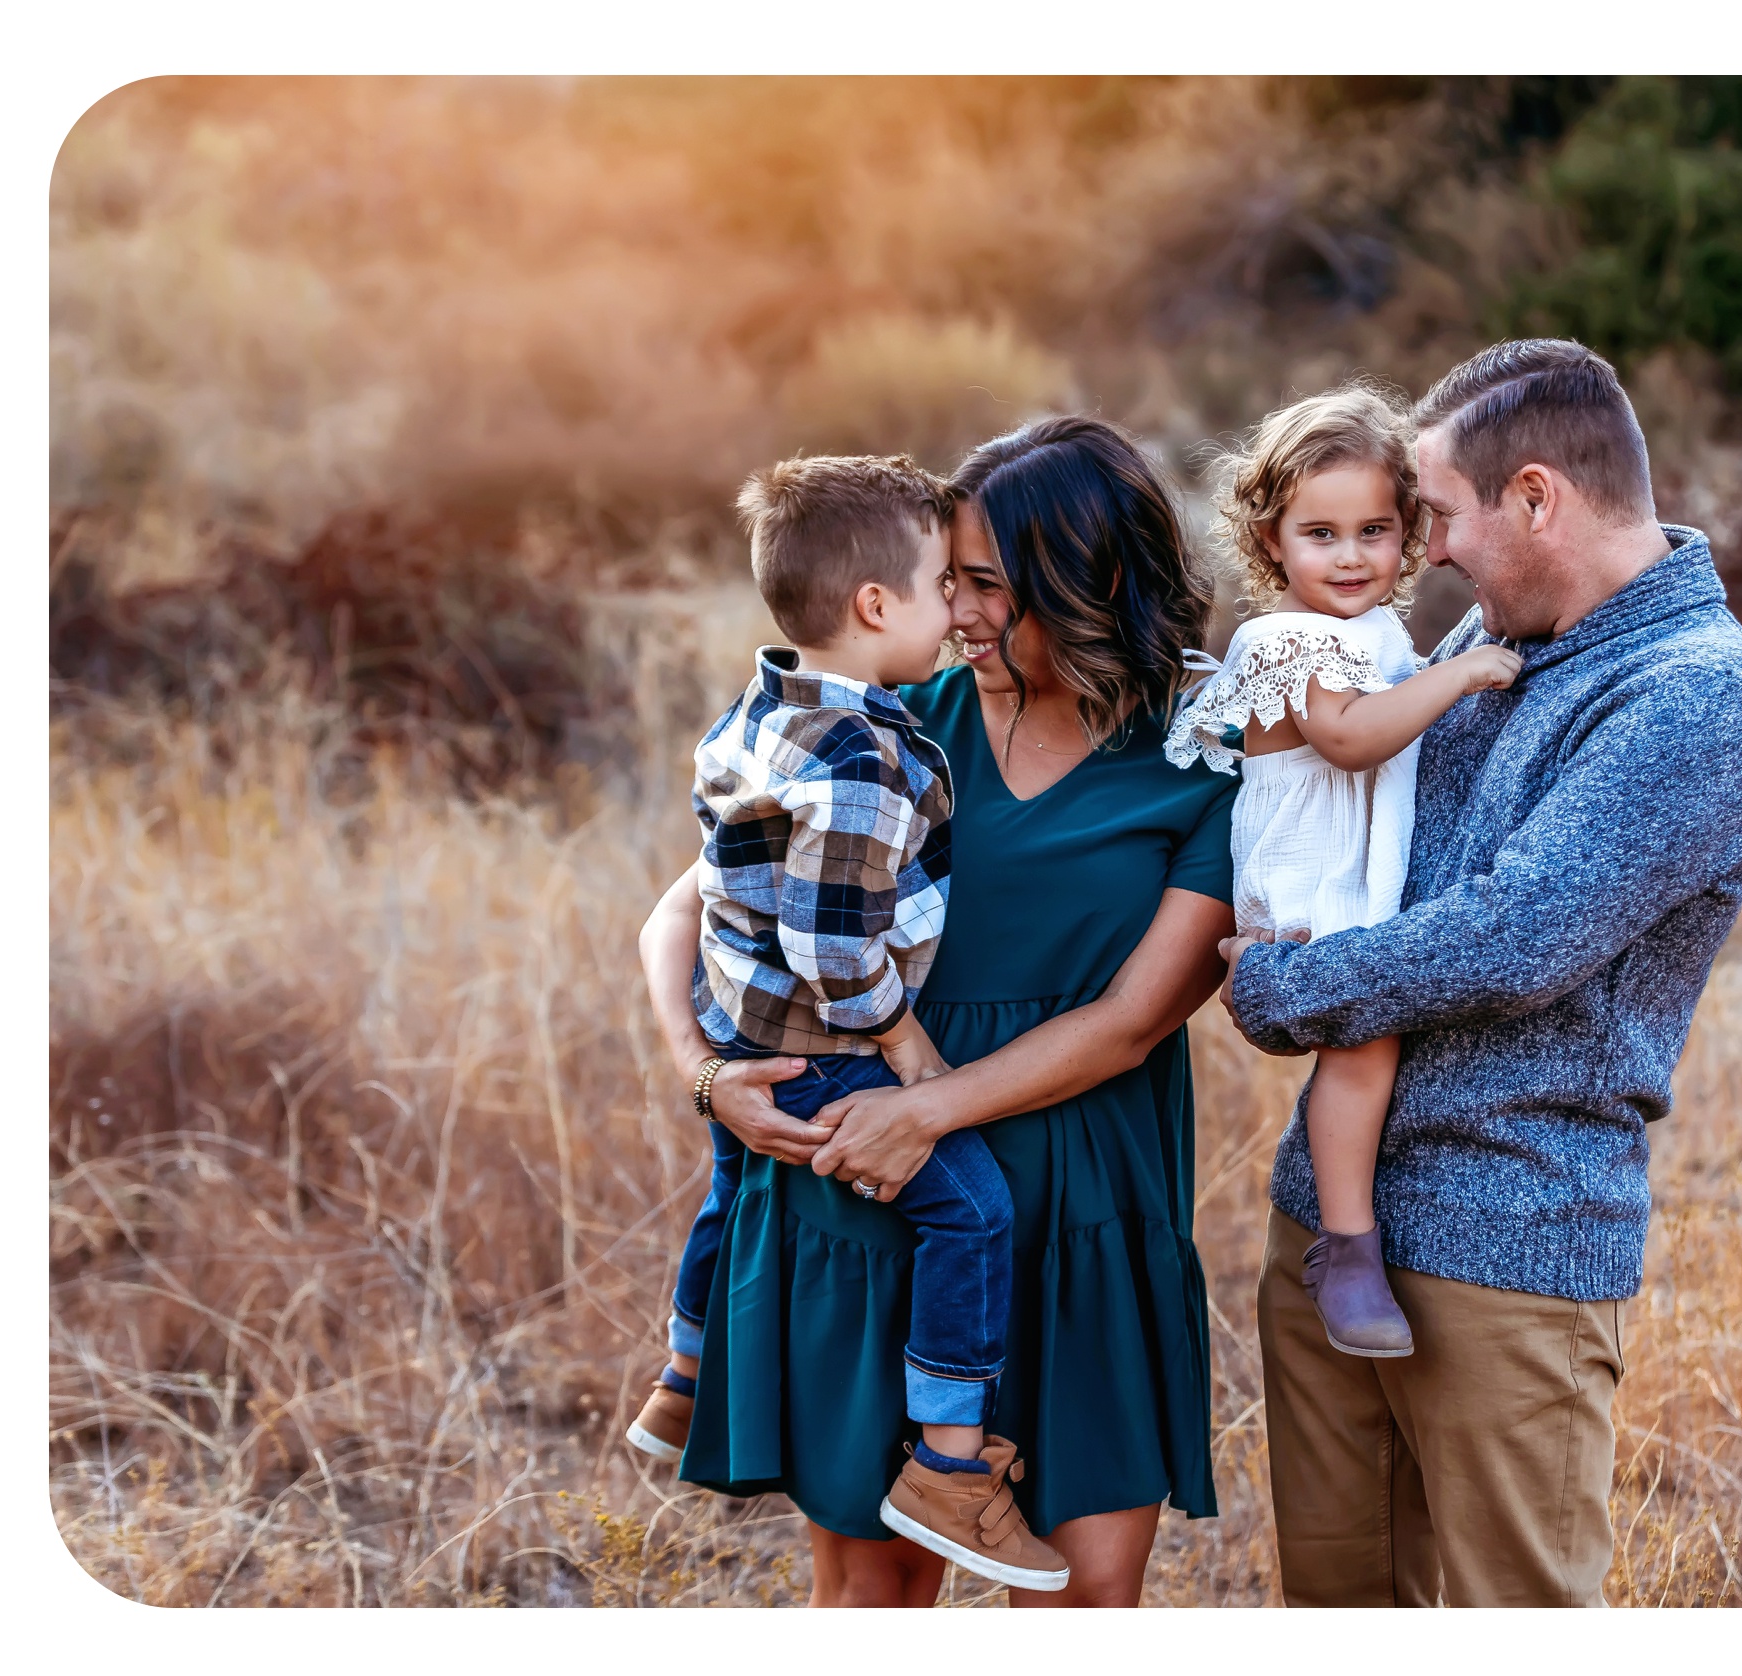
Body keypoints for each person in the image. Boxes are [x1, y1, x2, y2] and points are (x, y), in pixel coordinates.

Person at [1220, 340, 1742, 1607]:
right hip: (1331, 1223)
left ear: (1534, 499)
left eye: (1433, 517)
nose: (1420, 552)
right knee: (1334, 1613)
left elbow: (1516, 934)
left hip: (1505, 1249)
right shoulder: (1498, 625)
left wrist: (1280, 987)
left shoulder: (1692, 694)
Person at [643, 416, 1239, 1607]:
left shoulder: (1208, 747)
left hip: (1083, 1202)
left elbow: (1137, 1015)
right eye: (945, 579)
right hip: (877, 1194)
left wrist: (933, 1111)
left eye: (983, 583)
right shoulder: (895, 713)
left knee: (1081, 1609)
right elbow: (678, 917)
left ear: (1092, 579)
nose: (955, 612)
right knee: (874, 1609)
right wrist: (708, 1079)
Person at [624, 452, 1069, 1591]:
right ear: (877, 607)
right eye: (937, 585)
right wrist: (908, 1053)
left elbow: (737, 879)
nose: (955, 611)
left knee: (729, 1191)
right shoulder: (863, 757)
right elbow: (833, 950)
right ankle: (947, 1462)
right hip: (820, 1055)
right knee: (969, 1211)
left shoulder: (760, 703)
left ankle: (684, 1378)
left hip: (740, 1037)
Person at [1166, 383, 1520, 1357]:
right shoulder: (1283, 639)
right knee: (1359, 1050)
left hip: (1358, 873)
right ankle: (1348, 1246)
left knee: (1375, 1050)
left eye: (1374, 529)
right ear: (1270, 538)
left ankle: (1358, 1227)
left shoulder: (1374, 635)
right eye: (1320, 534)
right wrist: (1460, 674)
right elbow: (1351, 739)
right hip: (1307, 881)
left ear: (1407, 530)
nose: (1352, 555)